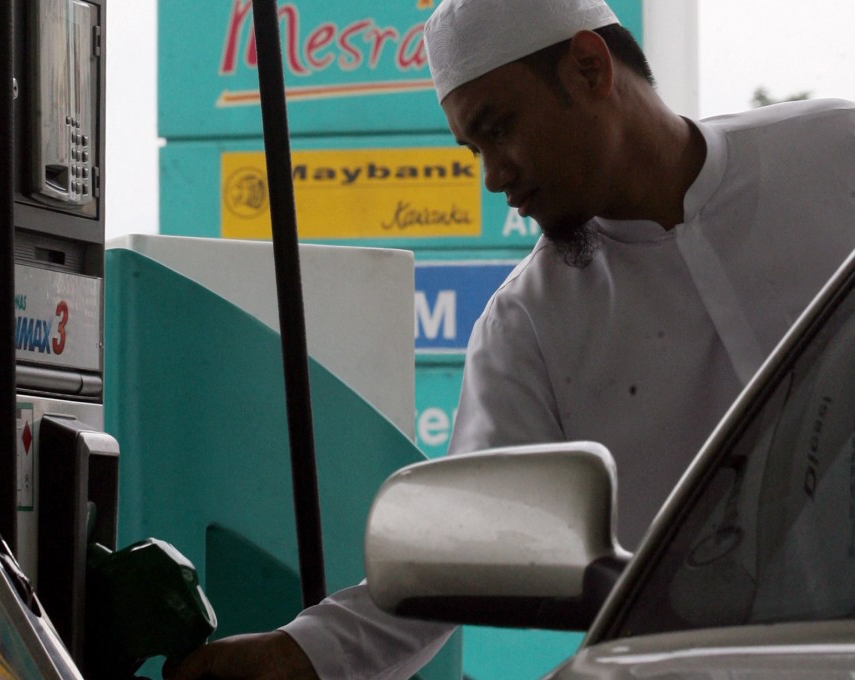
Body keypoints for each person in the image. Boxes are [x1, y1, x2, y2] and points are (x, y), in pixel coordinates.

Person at [166, 0, 855, 677]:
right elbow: (463, 548)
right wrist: (300, 653)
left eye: (499, 129)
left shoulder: (838, 153)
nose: (494, 175)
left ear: (589, 68)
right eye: (474, 150)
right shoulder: (526, 325)